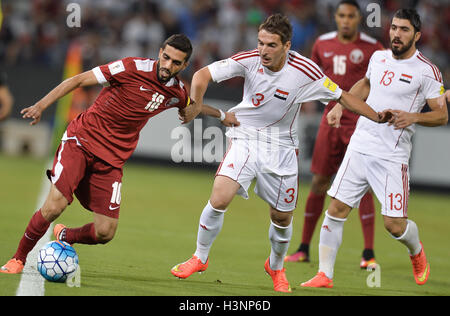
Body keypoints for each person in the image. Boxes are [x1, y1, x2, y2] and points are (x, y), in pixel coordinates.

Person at [170, 14, 392, 293]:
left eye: (271, 45)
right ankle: (199, 257)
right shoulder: (250, 59)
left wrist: (376, 116)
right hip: (246, 136)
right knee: (220, 196)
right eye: (261, 42)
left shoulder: (306, 71)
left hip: (282, 148)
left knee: (282, 218)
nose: (263, 50)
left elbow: (343, 96)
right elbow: (202, 75)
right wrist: (196, 103)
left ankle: (275, 266)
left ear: (287, 45)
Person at [0, 34, 199, 274]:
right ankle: (18, 258)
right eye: (166, 57)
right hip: (81, 141)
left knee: (105, 232)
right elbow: (78, 80)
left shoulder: (176, 92)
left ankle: (65, 235)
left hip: (111, 160)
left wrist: (219, 115)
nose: (168, 65)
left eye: (176, 63)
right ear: (159, 52)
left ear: (185, 65)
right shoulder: (130, 67)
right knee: (54, 207)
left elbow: (191, 104)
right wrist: (41, 105)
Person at [301, 9, 447, 288]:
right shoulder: (378, 57)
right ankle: (325, 274)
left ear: (417, 35)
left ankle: (416, 251)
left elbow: (441, 115)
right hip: (360, 144)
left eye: (404, 30)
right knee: (336, 209)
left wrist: (413, 117)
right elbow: (366, 84)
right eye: (394, 28)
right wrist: (338, 106)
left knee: (394, 225)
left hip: (392, 156)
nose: (396, 34)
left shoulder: (427, 71)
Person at [285, 0, 383, 269]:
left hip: (360, 123)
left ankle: (368, 254)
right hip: (331, 119)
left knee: (360, 187)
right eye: (342, 15)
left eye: (351, 16)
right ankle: (304, 247)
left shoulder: (374, 49)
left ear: (359, 18)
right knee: (319, 182)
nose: (346, 20)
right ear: (336, 17)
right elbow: (309, 76)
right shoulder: (322, 44)